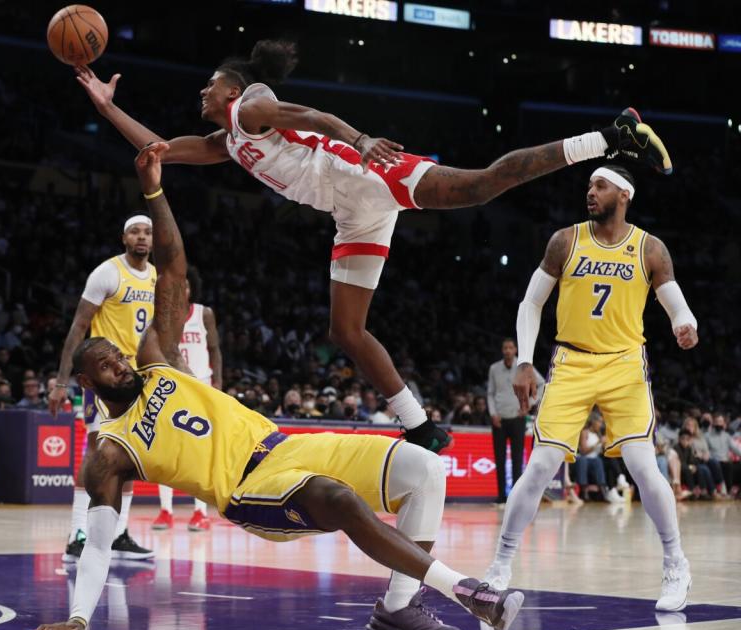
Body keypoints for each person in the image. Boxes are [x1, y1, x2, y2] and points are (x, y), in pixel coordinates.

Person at [73, 39, 672, 459]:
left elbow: (313, 112)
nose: (201, 92)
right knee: (346, 329)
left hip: (366, 174)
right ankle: (421, 426)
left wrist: (362, 141)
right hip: (350, 213)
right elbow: (157, 151)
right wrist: (104, 105)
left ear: (230, 85)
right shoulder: (226, 141)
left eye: (208, 83)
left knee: (482, 184)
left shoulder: (247, 104)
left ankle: (609, 136)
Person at [25, 144, 524, 630]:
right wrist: (77, 620)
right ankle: (467, 591)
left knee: (426, 469)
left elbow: (174, 268)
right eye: (106, 366)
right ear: (87, 383)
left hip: (286, 445)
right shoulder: (110, 447)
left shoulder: (158, 363)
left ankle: (397, 609)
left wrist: (154, 189)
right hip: (247, 490)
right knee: (341, 499)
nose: (118, 363)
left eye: (116, 354)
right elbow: (96, 546)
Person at [483, 165, 698, 612]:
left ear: (624, 194)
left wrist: (684, 323)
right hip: (571, 361)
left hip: (624, 364)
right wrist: (524, 360)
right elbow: (531, 302)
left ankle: (676, 562)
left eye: (599, 186)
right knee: (541, 465)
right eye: (588, 186)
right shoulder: (565, 240)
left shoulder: (650, 248)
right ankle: (500, 565)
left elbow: (674, 300)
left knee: (642, 464)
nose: (590, 193)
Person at [49, 214, 158, 563]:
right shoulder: (107, 272)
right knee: (96, 453)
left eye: (147, 232)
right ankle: (77, 534)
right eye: (135, 232)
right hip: (103, 374)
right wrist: (62, 380)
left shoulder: (155, 275)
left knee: (131, 456)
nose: (142, 237)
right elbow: (78, 326)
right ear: (124, 238)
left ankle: (118, 533)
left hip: (136, 377)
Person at [154, 268, 222, 532]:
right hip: (170, 389)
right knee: (165, 452)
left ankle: (200, 512)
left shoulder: (204, 313)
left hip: (200, 388)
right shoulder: (162, 318)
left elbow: (215, 350)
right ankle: (165, 511)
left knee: (199, 452)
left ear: (192, 288)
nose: (182, 290)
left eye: (185, 286)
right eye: (176, 286)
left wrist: (218, 384)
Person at [486, 338, 544, 503]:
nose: (508, 351)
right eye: (505, 348)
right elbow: (490, 392)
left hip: (518, 418)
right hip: (499, 419)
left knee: (518, 459)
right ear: (502, 350)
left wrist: (529, 404)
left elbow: (541, 384)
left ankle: (516, 497)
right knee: (499, 458)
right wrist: (492, 413)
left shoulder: (523, 367)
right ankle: (501, 496)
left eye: (510, 348)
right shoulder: (494, 368)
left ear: (515, 350)